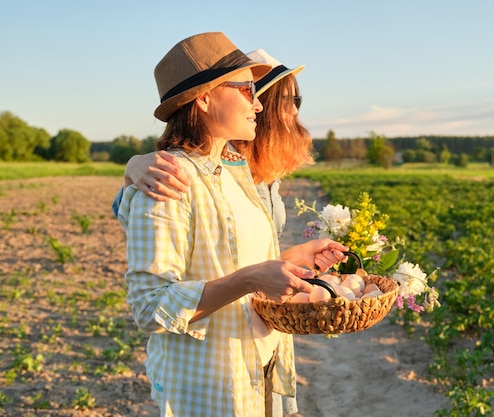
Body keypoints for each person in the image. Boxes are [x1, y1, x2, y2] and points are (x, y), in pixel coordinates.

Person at [116, 32, 347, 417]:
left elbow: (233, 265)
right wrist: (250, 280)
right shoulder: (168, 178)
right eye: (245, 89)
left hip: (261, 369)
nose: (257, 103)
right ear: (204, 98)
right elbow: (150, 306)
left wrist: (292, 258)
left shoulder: (235, 172)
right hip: (213, 387)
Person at [112, 48, 313, 241]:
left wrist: (294, 261)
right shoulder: (213, 164)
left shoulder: (265, 165)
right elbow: (139, 215)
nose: (294, 110)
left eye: (297, 100)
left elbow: (250, 259)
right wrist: (132, 169)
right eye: (286, 99)